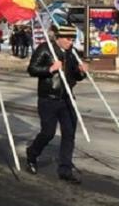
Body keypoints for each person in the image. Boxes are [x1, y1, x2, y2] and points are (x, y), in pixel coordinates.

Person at [25, 24, 88, 184]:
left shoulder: (72, 53)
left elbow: (76, 76)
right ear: (59, 38)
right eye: (68, 39)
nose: (71, 42)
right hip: (48, 98)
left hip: (67, 98)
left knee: (69, 133)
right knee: (48, 132)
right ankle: (32, 153)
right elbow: (32, 69)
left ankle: (65, 168)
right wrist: (50, 68)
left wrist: (81, 71)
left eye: (73, 39)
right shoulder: (45, 49)